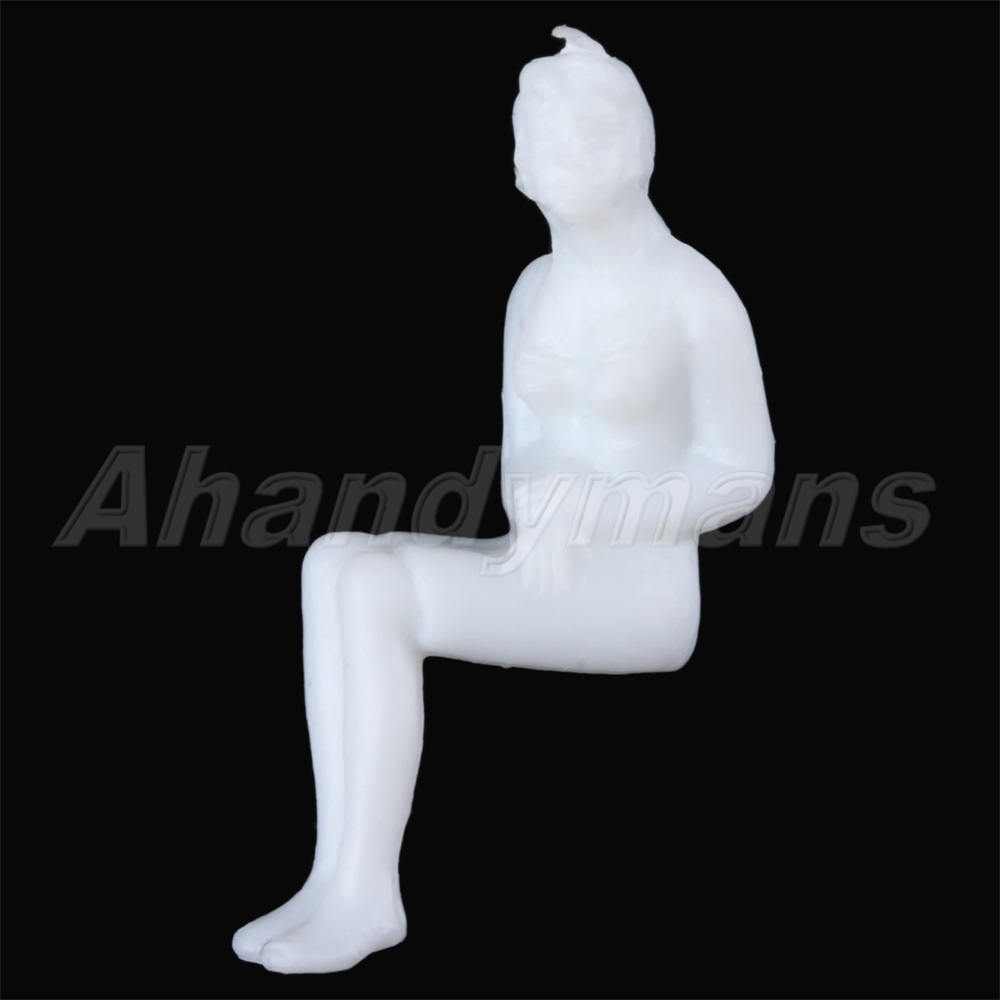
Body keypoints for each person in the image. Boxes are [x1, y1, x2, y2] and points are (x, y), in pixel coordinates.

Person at [233, 25, 774, 974]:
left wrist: (596, 511)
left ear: (630, 149)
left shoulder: (691, 292)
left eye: (574, 137)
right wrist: (541, 506)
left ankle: (367, 896)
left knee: (377, 590)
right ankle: (333, 876)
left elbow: (743, 471)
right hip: (547, 560)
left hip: (640, 595)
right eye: (534, 138)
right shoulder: (533, 289)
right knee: (333, 559)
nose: (548, 157)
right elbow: (522, 452)